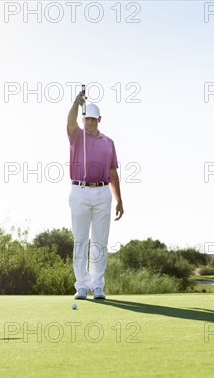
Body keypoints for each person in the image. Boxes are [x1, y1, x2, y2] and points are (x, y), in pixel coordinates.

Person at [66, 89, 123, 300]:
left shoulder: (109, 142)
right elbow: (71, 122)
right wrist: (75, 102)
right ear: (84, 118)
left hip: (102, 192)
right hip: (79, 191)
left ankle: (97, 285)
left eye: (93, 119)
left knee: (100, 242)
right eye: (86, 119)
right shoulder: (76, 136)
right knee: (80, 240)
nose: (89, 123)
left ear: (99, 119)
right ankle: (82, 285)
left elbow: (112, 172)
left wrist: (119, 200)